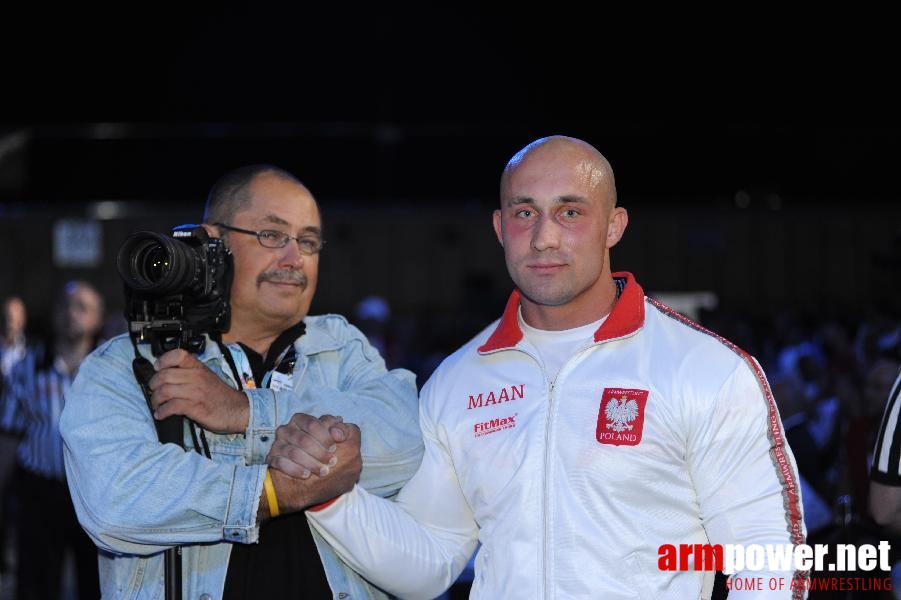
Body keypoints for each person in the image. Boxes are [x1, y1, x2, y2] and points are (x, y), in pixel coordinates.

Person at [276, 135, 809, 598]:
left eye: (571, 212)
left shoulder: (704, 369)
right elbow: (431, 560)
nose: (544, 237)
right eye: (524, 212)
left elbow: (768, 557)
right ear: (499, 226)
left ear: (614, 226)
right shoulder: (460, 381)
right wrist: (329, 497)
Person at [59, 164, 424, 599]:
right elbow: (115, 502)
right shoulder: (127, 364)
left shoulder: (342, 348)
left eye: (308, 241)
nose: (295, 259)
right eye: (272, 235)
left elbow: (408, 441)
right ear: (214, 241)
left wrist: (245, 412)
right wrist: (272, 492)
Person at [2, 282, 104, 600]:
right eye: (64, 305)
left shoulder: (108, 371)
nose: (71, 313)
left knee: (97, 583)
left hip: (95, 494)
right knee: (35, 584)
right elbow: (8, 435)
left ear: (97, 319)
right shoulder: (25, 369)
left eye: (82, 307)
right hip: (40, 492)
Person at [0, 296, 29, 587]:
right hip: (4, 432)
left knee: (22, 497)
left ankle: (17, 552)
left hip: (26, 431)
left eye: (16, 314)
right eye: (7, 314)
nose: (11, 319)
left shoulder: (30, 349)